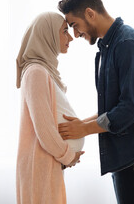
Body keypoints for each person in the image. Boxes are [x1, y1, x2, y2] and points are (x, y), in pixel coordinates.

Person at [57, 0, 134, 204]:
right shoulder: (109, 48)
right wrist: (82, 123)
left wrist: (84, 129)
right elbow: (112, 109)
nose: (75, 34)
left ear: (90, 13)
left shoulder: (128, 44)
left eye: (74, 25)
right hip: (127, 153)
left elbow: (129, 109)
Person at [15, 12, 85, 204]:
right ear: (48, 35)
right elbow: (44, 129)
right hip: (39, 167)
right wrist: (69, 156)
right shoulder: (35, 73)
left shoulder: (43, 71)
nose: (70, 37)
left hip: (47, 165)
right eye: (64, 31)